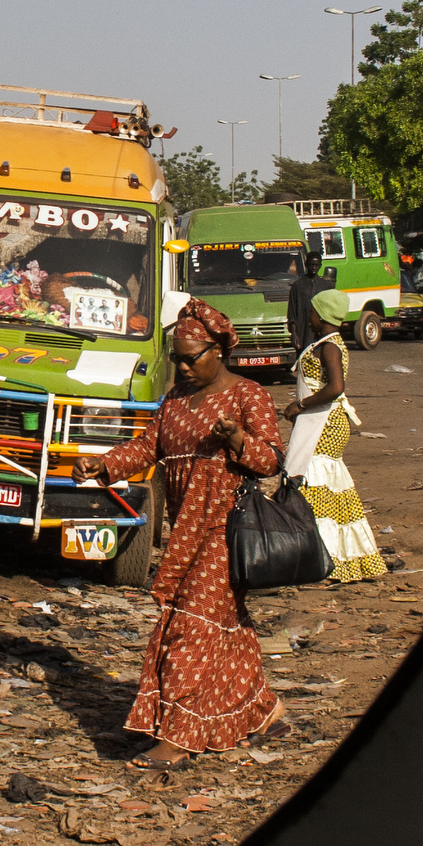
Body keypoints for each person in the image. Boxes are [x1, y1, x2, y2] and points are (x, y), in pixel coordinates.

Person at [73, 300, 287, 764]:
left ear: (220, 349)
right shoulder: (174, 400)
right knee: (220, 625)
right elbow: (148, 446)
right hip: (184, 526)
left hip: (224, 526)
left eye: (193, 357)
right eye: (178, 358)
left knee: (191, 623)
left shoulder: (248, 395)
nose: (184, 366)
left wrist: (236, 440)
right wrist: (103, 464)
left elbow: (271, 459)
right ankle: (261, 708)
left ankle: (178, 736)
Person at [283, 292, 388, 582]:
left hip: (324, 425)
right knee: (330, 490)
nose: (309, 317)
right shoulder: (325, 343)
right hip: (321, 422)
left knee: (315, 489)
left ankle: (324, 561)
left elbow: (335, 388)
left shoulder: (329, 347)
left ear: (322, 316)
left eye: (313, 313)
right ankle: (341, 559)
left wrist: (299, 406)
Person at [285, 245, 331, 355]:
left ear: (320, 265)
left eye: (316, 265)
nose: (314, 267)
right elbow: (292, 313)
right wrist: (294, 334)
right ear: (306, 265)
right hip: (303, 333)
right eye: (311, 264)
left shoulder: (326, 286)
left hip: (320, 334)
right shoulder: (297, 286)